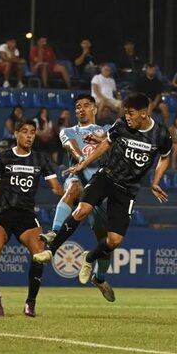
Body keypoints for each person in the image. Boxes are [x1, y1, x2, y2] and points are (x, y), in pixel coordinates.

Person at [33, 93, 172, 286]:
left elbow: (165, 157)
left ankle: (89, 258)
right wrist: (84, 164)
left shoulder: (162, 134)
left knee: (114, 241)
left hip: (127, 190)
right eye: (126, 113)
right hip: (106, 176)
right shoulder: (121, 125)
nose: (127, 117)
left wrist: (156, 181)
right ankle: (51, 250)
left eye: (130, 113)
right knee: (82, 209)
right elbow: (106, 143)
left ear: (143, 113)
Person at [0, 119, 63, 317]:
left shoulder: (40, 159)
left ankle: (31, 302)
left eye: (32, 132)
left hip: (26, 215)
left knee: (39, 254)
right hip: (4, 213)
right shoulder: (2, 158)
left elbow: (56, 188)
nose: (29, 136)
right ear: (16, 134)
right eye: (25, 131)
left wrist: (69, 193)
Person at [36, 95, 115, 301]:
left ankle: (99, 278)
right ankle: (54, 232)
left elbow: (116, 145)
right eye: (78, 107)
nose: (81, 110)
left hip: (100, 187)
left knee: (105, 244)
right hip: (77, 175)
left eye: (86, 106)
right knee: (72, 189)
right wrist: (81, 159)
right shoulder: (67, 131)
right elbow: (70, 145)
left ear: (95, 109)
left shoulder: (107, 130)